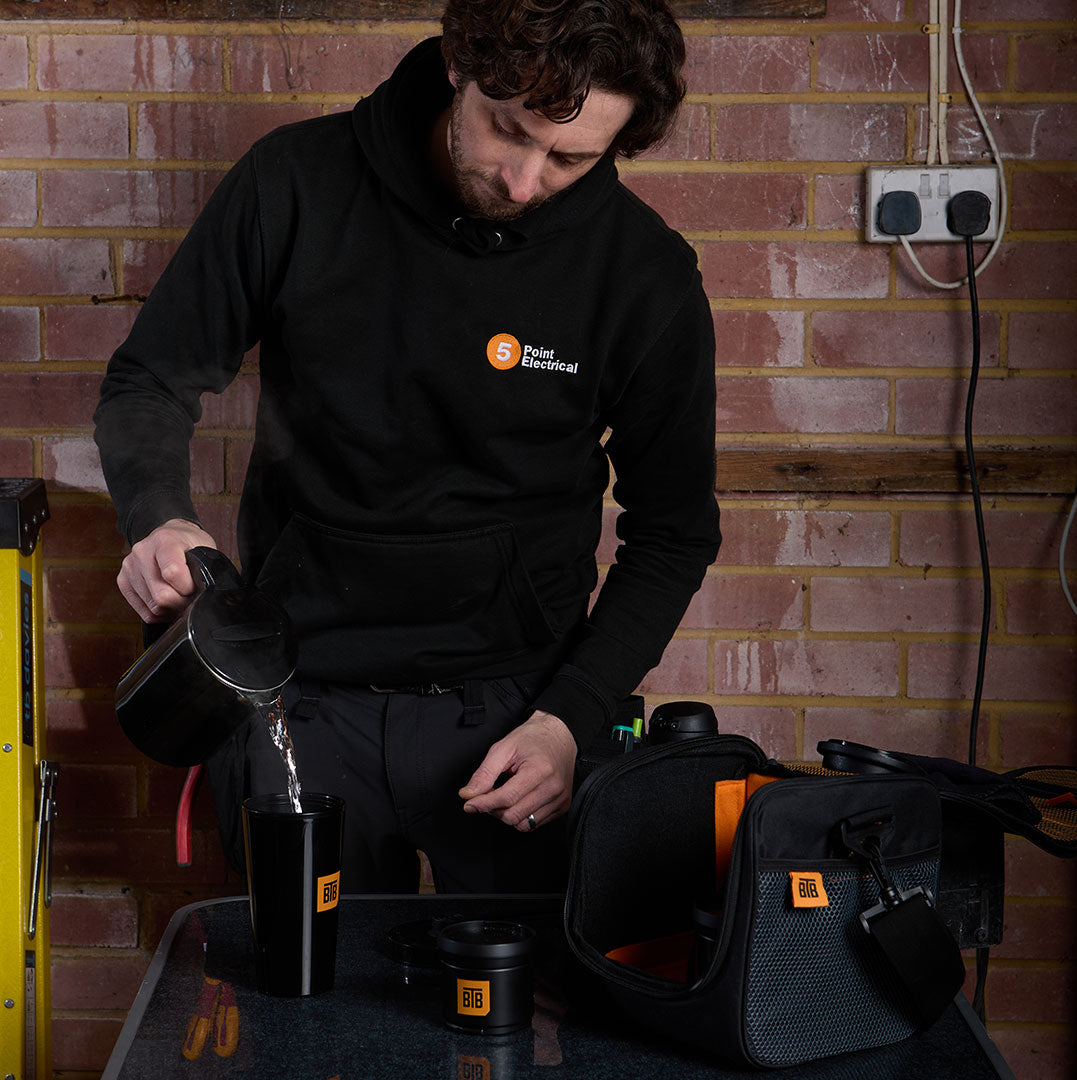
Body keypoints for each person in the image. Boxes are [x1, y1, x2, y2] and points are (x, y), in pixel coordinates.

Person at [94, 0, 720, 894]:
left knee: (533, 1022)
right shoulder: (296, 182)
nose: (523, 182)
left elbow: (675, 533)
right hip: (300, 701)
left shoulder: (643, 275)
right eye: (510, 132)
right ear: (460, 66)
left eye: (572, 158)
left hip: (515, 716)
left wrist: (569, 721)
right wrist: (157, 518)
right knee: (301, 1014)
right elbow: (152, 377)